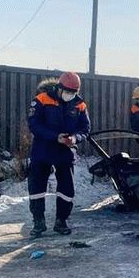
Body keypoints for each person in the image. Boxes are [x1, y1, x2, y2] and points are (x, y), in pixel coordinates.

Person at [27, 72, 90, 237]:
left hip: (65, 151)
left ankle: (61, 220)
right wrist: (55, 137)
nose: (70, 95)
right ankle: (38, 221)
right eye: (68, 91)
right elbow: (34, 125)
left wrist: (75, 138)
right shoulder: (41, 100)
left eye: (73, 92)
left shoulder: (79, 105)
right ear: (59, 88)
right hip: (43, 149)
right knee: (37, 187)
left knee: (67, 188)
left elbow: (85, 128)